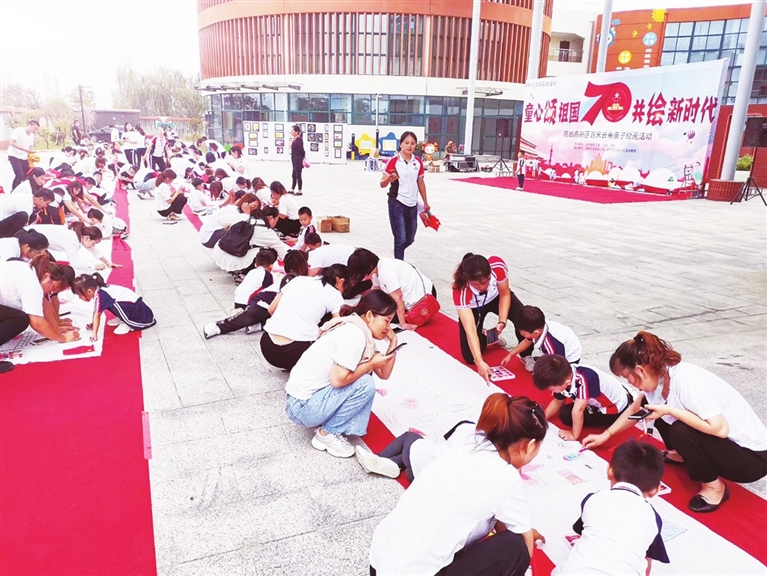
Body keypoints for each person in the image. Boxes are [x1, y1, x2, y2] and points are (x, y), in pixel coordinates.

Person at [582, 332, 767, 513]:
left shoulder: (686, 381)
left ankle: (714, 487)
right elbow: (634, 410)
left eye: (626, 376)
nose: (629, 382)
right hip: (729, 447)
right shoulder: (660, 377)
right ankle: (683, 454)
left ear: (640, 370)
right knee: (655, 408)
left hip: (752, 459)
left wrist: (670, 410)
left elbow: (720, 429)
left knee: (680, 428)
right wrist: (605, 435)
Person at [369, 394, 547, 576]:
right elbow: (524, 546)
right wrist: (524, 533)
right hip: (414, 572)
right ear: (530, 446)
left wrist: (519, 526)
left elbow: (500, 515)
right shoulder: (506, 477)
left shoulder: (468, 444)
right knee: (516, 549)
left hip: (379, 563)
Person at [285, 291, 399, 458]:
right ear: (369, 316)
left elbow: (384, 374)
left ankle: (330, 425)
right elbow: (338, 380)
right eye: (387, 321)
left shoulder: (360, 331)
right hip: (302, 407)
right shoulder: (354, 334)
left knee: (365, 375)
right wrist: (371, 364)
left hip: (303, 402)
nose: (388, 327)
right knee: (365, 383)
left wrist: (393, 342)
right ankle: (327, 434)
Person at [553, 441, 670, 576]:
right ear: (655, 490)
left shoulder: (593, 498)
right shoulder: (653, 518)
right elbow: (647, 564)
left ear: (609, 471)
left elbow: (585, 535)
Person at [260, 264, 349, 370]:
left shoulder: (297, 280)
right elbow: (338, 327)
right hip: (296, 352)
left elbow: (271, 310)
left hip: (267, 346)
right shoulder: (334, 294)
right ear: (340, 281)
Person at [452, 253, 525, 383]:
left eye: (485, 282)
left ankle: (526, 354)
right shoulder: (460, 290)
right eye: (476, 284)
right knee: (470, 357)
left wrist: (502, 321)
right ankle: (487, 337)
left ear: (490, 274)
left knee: (524, 318)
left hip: (496, 297)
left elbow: (504, 293)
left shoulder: (497, 265)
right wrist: (479, 361)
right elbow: (470, 331)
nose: (482, 287)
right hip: (474, 307)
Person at [204, 250, 309, 339]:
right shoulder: (290, 278)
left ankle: (259, 325)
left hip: (271, 306)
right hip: (263, 302)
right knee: (248, 317)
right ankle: (217, 326)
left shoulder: (300, 279)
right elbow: (274, 307)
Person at [0, 255, 80, 371]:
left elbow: (45, 302)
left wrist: (55, 327)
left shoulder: (30, 271)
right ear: (47, 276)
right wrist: (63, 338)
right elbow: (37, 322)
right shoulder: (33, 285)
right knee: (21, 320)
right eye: (53, 287)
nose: (52, 291)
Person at [532, 354, 632, 441]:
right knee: (567, 412)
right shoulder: (564, 374)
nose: (551, 391)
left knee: (566, 415)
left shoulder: (584, 380)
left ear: (567, 383)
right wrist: (543, 417)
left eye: (551, 389)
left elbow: (578, 410)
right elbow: (557, 401)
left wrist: (574, 435)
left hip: (615, 409)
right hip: (609, 395)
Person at [348, 250, 435, 330]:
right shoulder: (378, 265)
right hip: (424, 290)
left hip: (424, 300)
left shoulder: (386, 272)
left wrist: (403, 323)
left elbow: (398, 298)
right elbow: (375, 290)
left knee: (378, 314)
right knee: (373, 307)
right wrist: (359, 304)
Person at [379, 131, 430, 260]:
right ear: (400, 144)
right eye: (406, 143)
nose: (409, 146)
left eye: (412, 143)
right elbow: (382, 184)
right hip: (397, 203)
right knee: (400, 238)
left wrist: (425, 202)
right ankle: (399, 264)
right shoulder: (393, 161)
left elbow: (420, 182)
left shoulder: (418, 162)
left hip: (412, 204)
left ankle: (397, 249)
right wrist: (389, 179)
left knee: (410, 238)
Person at [211, 204, 289, 276]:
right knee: (271, 252)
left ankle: (233, 268)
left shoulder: (244, 216)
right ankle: (243, 272)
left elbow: (221, 220)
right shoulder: (268, 233)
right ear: (271, 218)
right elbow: (283, 255)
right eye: (276, 220)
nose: (275, 223)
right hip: (238, 259)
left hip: (220, 252)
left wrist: (230, 230)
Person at [72, 272, 156, 338]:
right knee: (111, 304)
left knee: (114, 305)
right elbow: (96, 310)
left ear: (89, 291)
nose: (80, 298)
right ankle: (123, 318)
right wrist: (93, 324)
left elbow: (97, 314)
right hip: (135, 307)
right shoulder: (100, 291)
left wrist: (94, 334)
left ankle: (129, 323)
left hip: (141, 315)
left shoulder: (101, 295)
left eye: (79, 295)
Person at [502, 305, 582, 371]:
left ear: (536, 333)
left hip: (569, 359)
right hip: (558, 352)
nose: (521, 335)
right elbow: (527, 341)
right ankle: (543, 360)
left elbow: (559, 365)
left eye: (523, 333)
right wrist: (510, 355)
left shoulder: (552, 343)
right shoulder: (538, 326)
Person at [7, 120, 40, 190]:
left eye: (37, 130)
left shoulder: (31, 135)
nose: (35, 131)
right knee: (19, 175)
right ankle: (13, 192)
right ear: (29, 125)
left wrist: (31, 154)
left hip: (24, 156)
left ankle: (25, 190)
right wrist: (24, 149)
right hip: (14, 155)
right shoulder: (18, 131)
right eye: (35, 128)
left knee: (27, 175)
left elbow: (29, 147)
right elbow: (11, 143)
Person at [289, 124, 305, 195]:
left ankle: (299, 190)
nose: (291, 132)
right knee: (293, 175)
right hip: (294, 161)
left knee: (298, 176)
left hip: (298, 161)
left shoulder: (299, 140)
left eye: (292, 131)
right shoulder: (295, 139)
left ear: (296, 132)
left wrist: (301, 158)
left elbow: (302, 151)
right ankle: (292, 189)